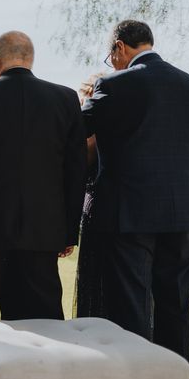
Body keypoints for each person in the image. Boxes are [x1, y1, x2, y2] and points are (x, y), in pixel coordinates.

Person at [82, 20, 189, 365]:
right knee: (176, 306)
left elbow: (74, 130)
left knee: (132, 306)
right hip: (183, 213)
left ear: (120, 48)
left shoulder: (114, 84)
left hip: (130, 214)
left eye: (113, 58)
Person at [0, 30, 87, 326]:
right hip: (42, 231)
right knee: (40, 325)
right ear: (30, 60)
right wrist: (68, 231)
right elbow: (76, 170)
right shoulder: (65, 98)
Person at [73, 74, 106, 318]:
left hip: (97, 207)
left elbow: (80, 165)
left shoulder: (91, 134)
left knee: (95, 277)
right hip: (99, 203)